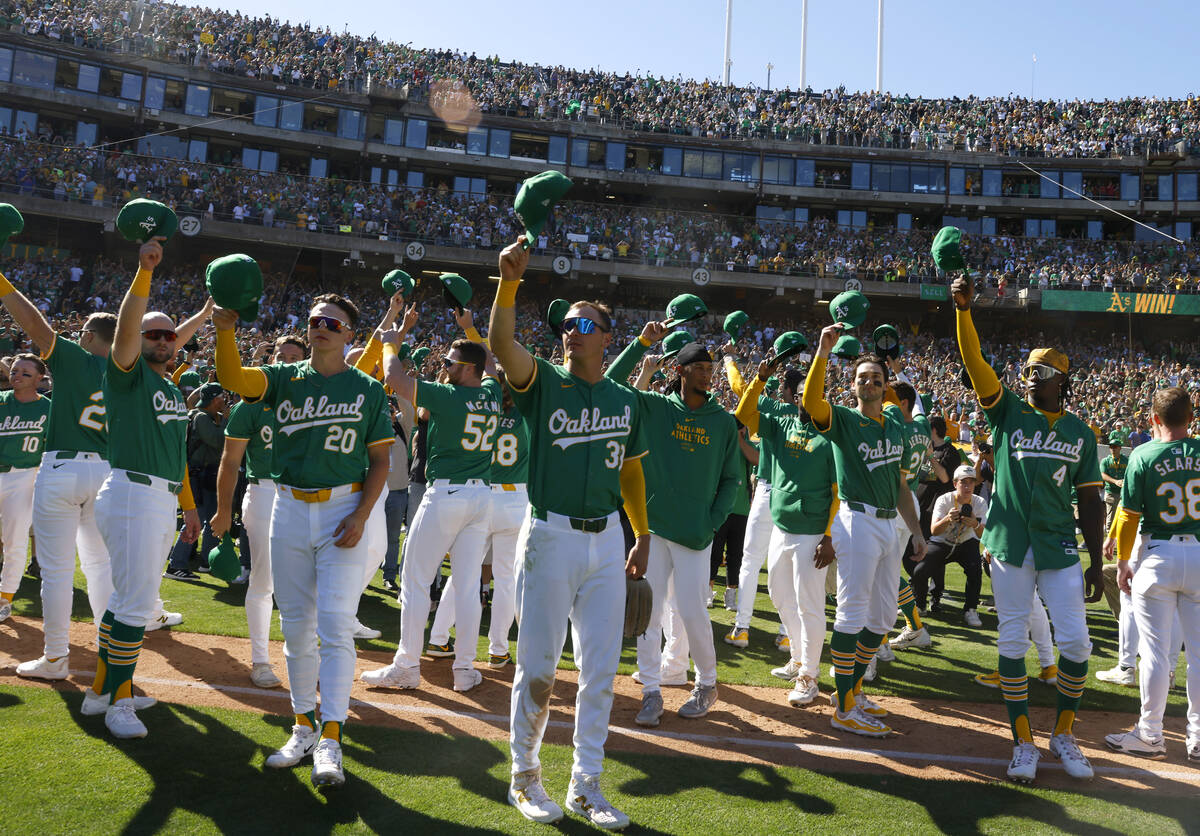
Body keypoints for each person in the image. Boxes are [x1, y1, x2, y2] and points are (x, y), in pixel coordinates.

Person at [489, 238, 650, 830]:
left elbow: (631, 470)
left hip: (608, 540)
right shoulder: (545, 383)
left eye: (585, 323)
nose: (571, 332)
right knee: (538, 667)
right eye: (566, 325)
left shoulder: (624, 400)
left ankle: (586, 785)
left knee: (601, 671)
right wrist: (508, 284)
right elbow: (503, 345)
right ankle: (524, 776)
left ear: (608, 336)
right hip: (551, 535)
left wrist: (642, 533)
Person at [213, 291, 393, 789]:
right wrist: (226, 330)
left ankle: (332, 738)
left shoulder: (367, 388)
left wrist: (362, 512)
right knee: (294, 626)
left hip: (341, 507)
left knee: (335, 624)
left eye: (333, 323)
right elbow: (233, 379)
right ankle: (303, 726)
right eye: (315, 320)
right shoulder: (283, 377)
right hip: (288, 507)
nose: (321, 328)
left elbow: (381, 460)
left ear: (350, 335)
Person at [953, 270, 1104, 783]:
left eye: (1040, 373)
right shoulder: (1008, 413)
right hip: (1010, 543)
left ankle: (1064, 733)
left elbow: (1091, 500)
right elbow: (975, 363)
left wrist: (1098, 561)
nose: (1030, 378)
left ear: (1062, 380)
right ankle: (1023, 741)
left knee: (1077, 643)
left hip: (1060, 546)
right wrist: (964, 311)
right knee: (1013, 641)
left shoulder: (1082, 433)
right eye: (1028, 371)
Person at [85, 238, 201, 740]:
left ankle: (98, 691)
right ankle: (120, 703)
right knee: (135, 604)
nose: (161, 340)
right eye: (154, 335)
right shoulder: (127, 376)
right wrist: (144, 272)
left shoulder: (170, 384)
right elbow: (131, 327)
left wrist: (188, 505)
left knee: (126, 599)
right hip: (133, 493)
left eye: (168, 337)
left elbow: (174, 336)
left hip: (156, 495)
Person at [604, 329, 743, 726]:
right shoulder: (657, 407)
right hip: (653, 530)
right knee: (648, 612)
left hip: (696, 535)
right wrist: (641, 348)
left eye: (709, 368)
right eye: (698, 368)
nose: (706, 374)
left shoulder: (721, 421)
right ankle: (651, 691)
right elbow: (612, 385)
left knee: (692, 612)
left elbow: (733, 480)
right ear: (680, 371)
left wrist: (712, 522)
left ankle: (707, 683)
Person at [360, 305, 499, 693]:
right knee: (469, 586)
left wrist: (391, 343)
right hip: (481, 495)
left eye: (453, 362)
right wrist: (470, 330)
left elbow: (393, 377)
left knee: (414, 580)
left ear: (467, 368)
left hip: (448, 493)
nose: (448, 366)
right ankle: (465, 669)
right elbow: (488, 362)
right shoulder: (490, 391)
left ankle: (406, 665)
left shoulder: (449, 395)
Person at [802, 325, 926, 738]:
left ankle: (853, 690)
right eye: (861, 378)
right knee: (853, 612)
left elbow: (903, 486)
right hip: (856, 521)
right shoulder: (842, 420)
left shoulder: (893, 418)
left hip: (890, 523)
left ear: (886, 386)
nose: (869, 382)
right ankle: (842, 706)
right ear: (851, 386)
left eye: (876, 378)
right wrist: (823, 352)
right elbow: (811, 401)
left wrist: (918, 530)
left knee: (886, 613)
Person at [735, 363, 836, 707]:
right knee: (778, 594)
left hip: (812, 533)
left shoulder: (830, 436)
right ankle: (797, 656)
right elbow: (744, 412)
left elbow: (838, 492)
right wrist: (760, 378)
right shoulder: (780, 424)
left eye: (814, 392)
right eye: (803, 393)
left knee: (810, 605)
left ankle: (809, 675)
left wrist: (829, 536)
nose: (806, 398)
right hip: (782, 526)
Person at [209, 334, 306, 689]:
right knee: (264, 581)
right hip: (265, 491)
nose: (282, 361)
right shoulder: (251, 403)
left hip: (307, 494)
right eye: (279, 354)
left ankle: (302, 655)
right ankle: (261, 660)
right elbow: (229, 461)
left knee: (305, 584)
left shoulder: (314, 400)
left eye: (292, 356)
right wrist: (223, 511)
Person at [1105, 388, 1196, 760]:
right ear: (1191, 417)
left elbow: (1127, 515)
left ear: (1153, 420)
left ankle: (1150, 734)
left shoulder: (1142, 453)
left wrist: (1125, 561)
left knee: (1157, 655)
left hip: (1159, 555)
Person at [721, 351, 797, 647]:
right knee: (787, 566)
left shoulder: (772, 407)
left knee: (750, 562)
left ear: (787, 391)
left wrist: (729, 360)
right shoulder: (817, 414)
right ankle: (787, 634)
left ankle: (742, 629)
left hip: (767, 488)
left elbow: (740, 388)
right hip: (794, 492)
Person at [0, 354, 50, 621]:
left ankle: (4, 598)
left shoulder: (49, 409)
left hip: (24, 477)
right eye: (15, 370)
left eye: (25, 373)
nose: (17, 375)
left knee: (15, 540)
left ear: (39, 379)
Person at [911, 465, 988, 625]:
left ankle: (971, 610)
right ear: (955, 484)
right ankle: (919, 606)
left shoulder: (980, 502)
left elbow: (983, 535)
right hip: (942, 542)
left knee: (975, 570)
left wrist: (974, 524)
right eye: (963, 482)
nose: (967, 487)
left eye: (971, 483)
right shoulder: (944, 499)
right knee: (920, 570)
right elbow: (934, 531)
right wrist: (947, 519)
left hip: (966, 542)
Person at [164, 382, 226, 579]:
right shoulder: (201, 417)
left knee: (209, 519)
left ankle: (207, 561)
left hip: (207, 475)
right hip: (198, 475)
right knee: (195, 519)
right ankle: (176, 565)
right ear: (214, 399)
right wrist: (227, 421)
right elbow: (217, 441)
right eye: (221, 398)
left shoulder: (207, 416)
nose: (224, 401)